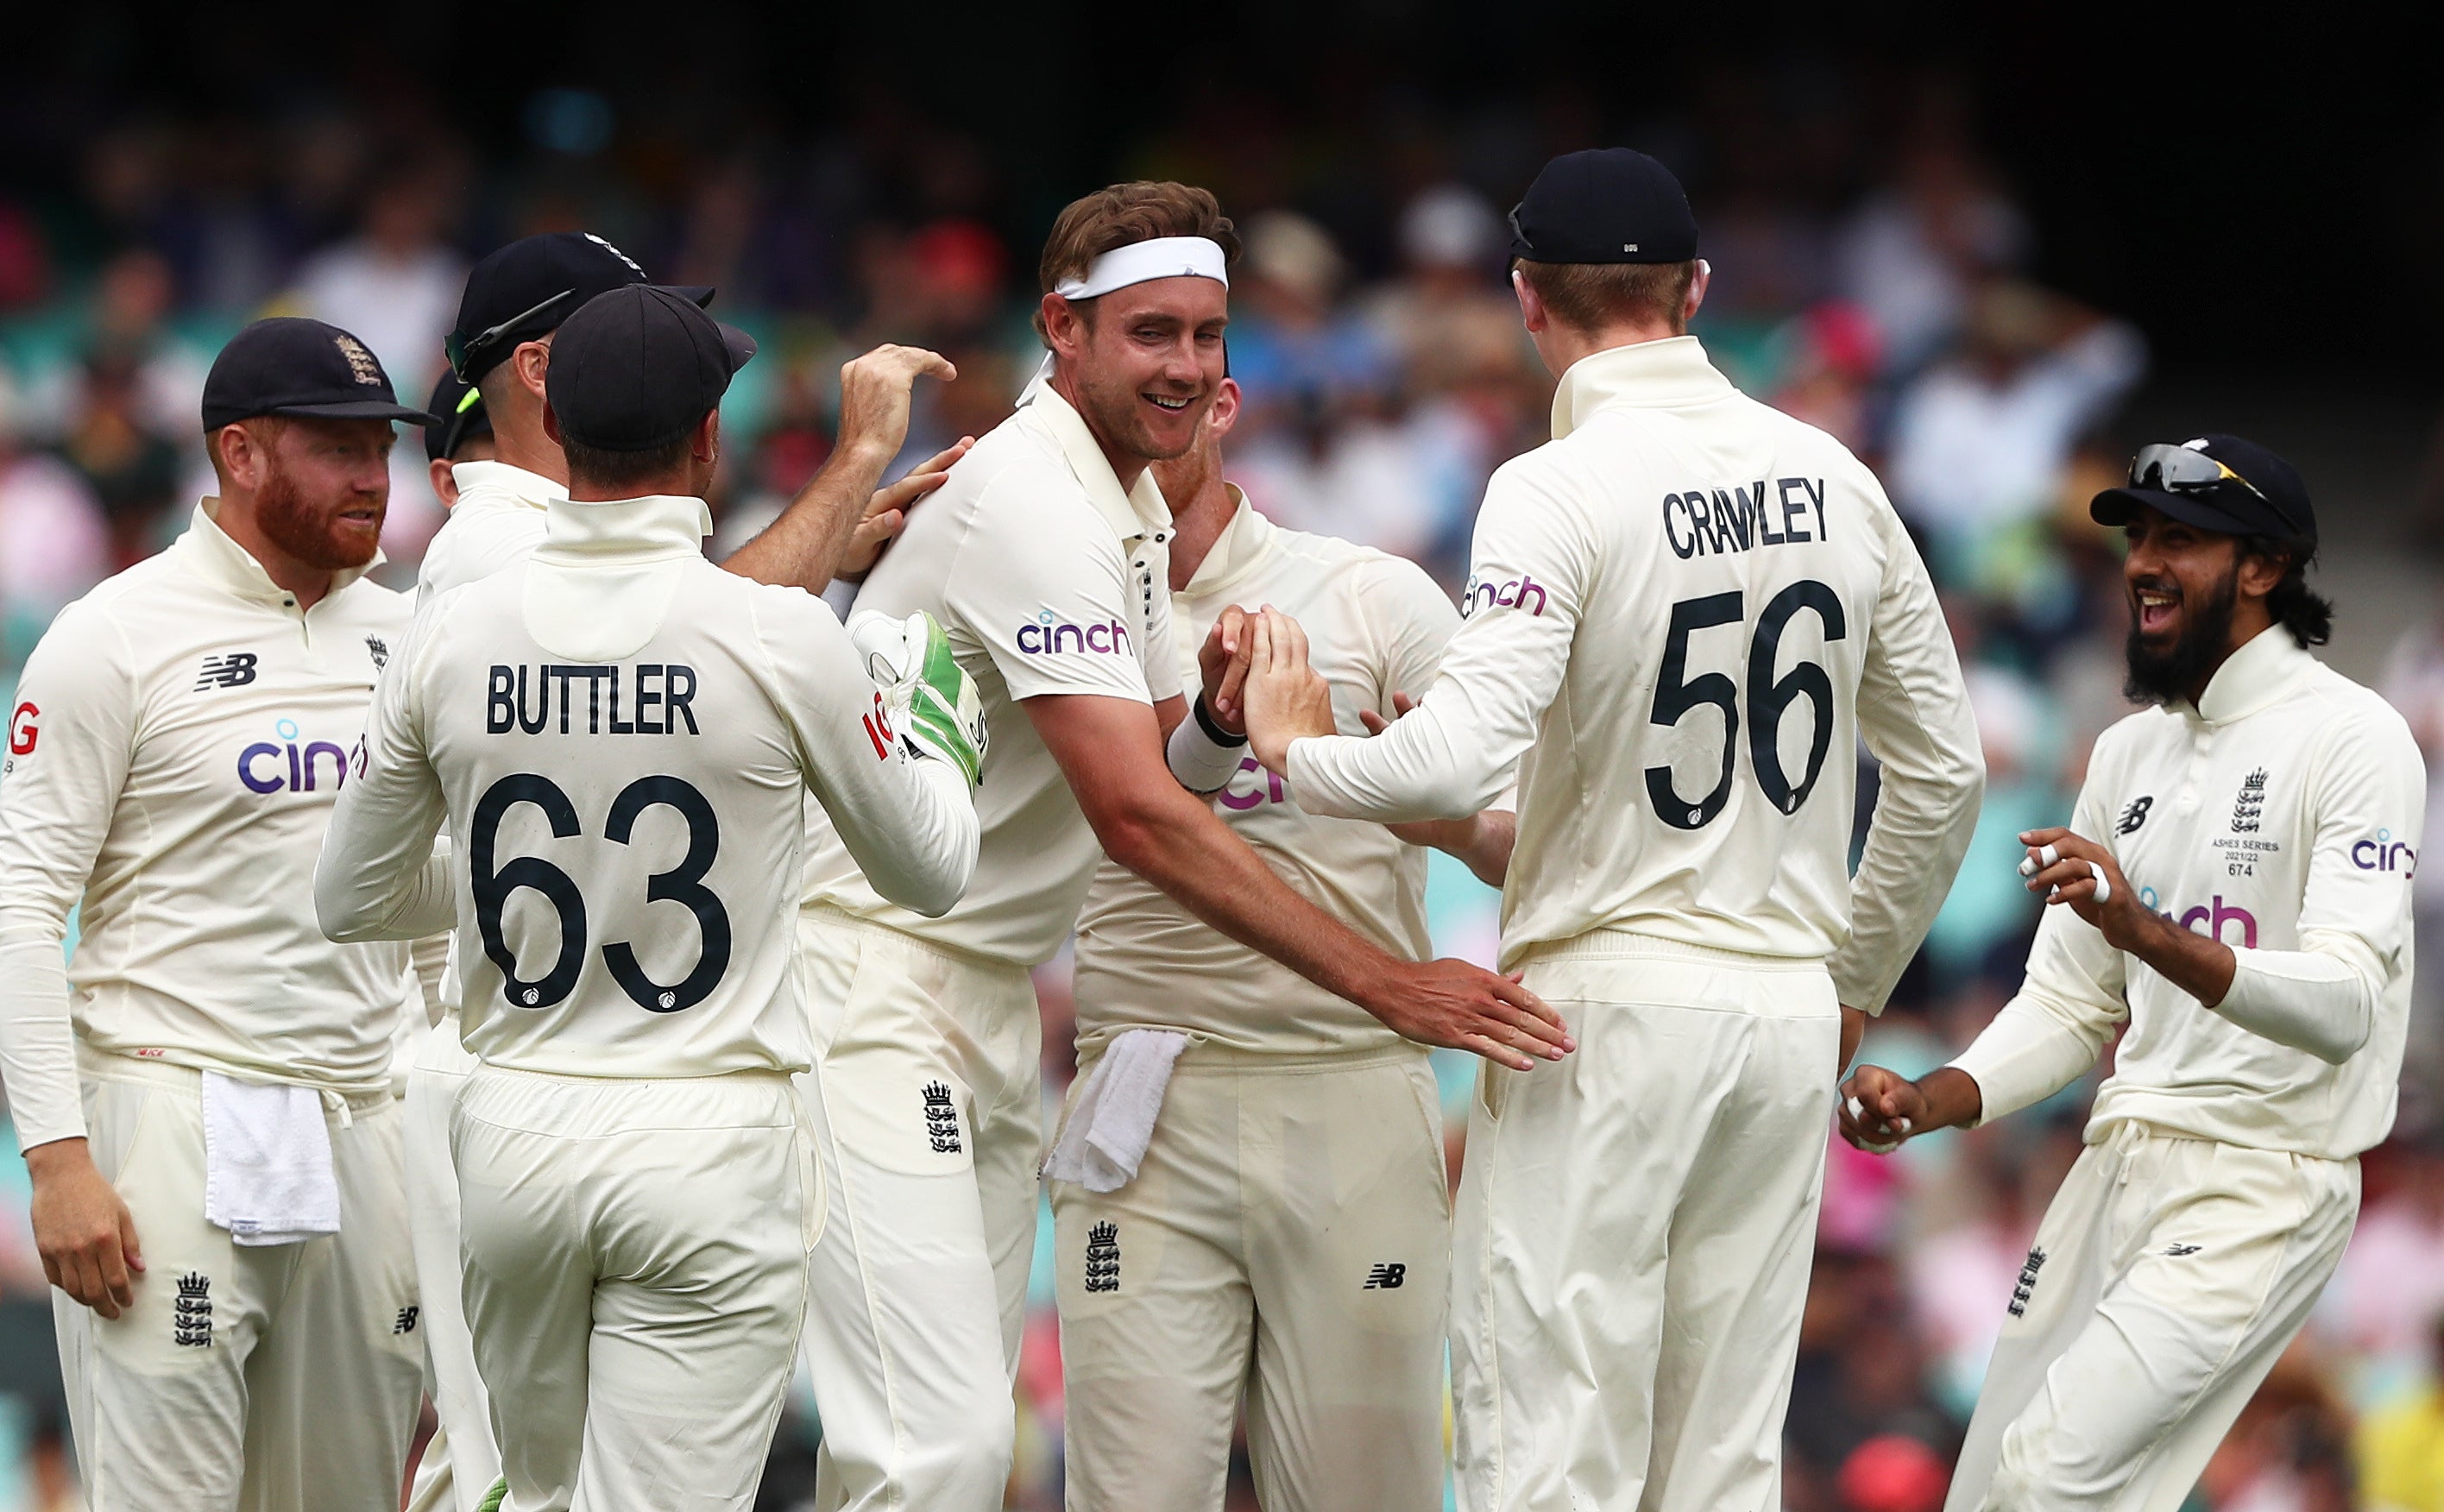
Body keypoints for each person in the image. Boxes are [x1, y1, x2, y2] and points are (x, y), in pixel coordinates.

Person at [794, 180, 1565, 1512]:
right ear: (1063, 329)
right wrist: (1394, 980)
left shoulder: (1130, 511)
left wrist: (1236, 724)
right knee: (937, 1456)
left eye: (1208, 338)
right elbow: (1140, 819)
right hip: (883, 982)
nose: (1189, 366)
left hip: (973, 993)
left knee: (953, 1456)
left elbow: (1177, 764)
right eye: (1152, 332)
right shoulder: (1037, 499)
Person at [1239, 148, 1984, 1512]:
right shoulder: (1835, 474)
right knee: (1717, 1463)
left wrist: (1298, 751)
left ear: (1527, 300)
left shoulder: (1555, 483)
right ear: (1696, 290)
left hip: (1605, 1014)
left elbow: (1459, 749)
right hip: (1779, 1020)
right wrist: (1849, 993)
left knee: (1549, 1444)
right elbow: (1942, 779)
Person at [313, 284, 983, 1512]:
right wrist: (933, 721)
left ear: (552, 431)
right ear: (709, 441)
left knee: (542, 1498)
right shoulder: (780, 636)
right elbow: (929, 872)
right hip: (708, 1135)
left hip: (513, 1137)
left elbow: (349, 901)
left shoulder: (447, 634)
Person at [1842, 435, 2423, 1512]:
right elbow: (2069, 1006)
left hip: (2264, 1176)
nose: (2145, 563)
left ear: (2263, 568)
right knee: (1989, 1492)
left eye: (2183, 540)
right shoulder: (2127, 754)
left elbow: (2346, 1007)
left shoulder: (2359, 738)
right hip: (2119, 1162)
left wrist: (2146, 929)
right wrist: (1933, 1100)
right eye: (2139, 537)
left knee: (2051, 1479)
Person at [0, 317, 446, 1509]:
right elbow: (20, 904)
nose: (371, 477)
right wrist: (57, 1161)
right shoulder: (113, 636)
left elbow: (441, 913)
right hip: (175, 1114)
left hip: (364, 1123)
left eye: (383, 447)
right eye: (336, 446)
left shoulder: (411, 637)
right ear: (239, 454)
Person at [1053, 375, 1512, 1510]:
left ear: (1222, 407)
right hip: (1145, 1103)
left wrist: (1422, 809)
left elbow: (1525, 844)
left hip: (1351, 1097)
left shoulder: (1368, 596)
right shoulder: (1051, 610)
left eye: (1178, 385)